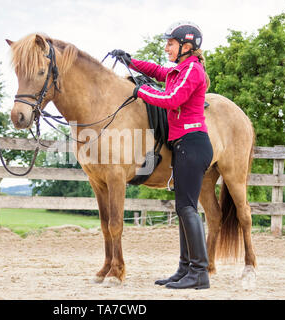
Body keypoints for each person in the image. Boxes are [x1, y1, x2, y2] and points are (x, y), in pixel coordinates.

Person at [111, 21, 213, 289]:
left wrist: (139, 90)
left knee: (187, 208)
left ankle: (200, 273)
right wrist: (131, 62)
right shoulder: (181, 69)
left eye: (171, 43)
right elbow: (158, 71)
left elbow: (171, 99)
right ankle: (184, 269)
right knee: (183, 208)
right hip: (183, 144)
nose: (166, 47)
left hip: (193, 143)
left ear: (186, 46)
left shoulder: (192, 70)